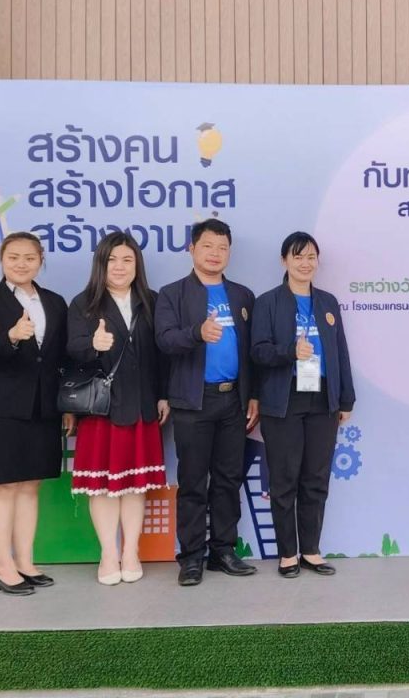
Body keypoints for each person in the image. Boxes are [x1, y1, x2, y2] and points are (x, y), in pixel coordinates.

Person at [0, 232, 75, 595]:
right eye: (13, 257)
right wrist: (11, 336)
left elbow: (60, 359)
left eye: (29, 257)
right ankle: (2, 567)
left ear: (41, 260)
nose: (21, 264)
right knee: (3, 486)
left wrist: (65, 406)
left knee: (30, 486)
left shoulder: (55, 302)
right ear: (2, 259)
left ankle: (25, 562)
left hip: (43, 409)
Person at [155, 219, 260, 587]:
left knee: (229, 479)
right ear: (192, 249)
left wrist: (253, 395)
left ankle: (223, 551)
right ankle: (191, 557)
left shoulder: (243, 296)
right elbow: (165, 341)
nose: (215, 253)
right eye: (208, 246)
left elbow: (252, 352)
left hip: (234, 401)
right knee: (193, 481)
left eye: (222, 247)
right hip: (193, 401)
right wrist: (196, 333)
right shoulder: (172, 294)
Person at [251, 232, 356, 578]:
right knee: (284, 479)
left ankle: (311, 550)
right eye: (298, 257)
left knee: (316, 478)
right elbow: (258, 352)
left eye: (311, 257)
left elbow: (340, 353)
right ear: (284, 261)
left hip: (323, 399)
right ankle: (287, 554)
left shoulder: (328, 302)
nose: (305, 263)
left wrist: (346, 398)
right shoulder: (268, 302)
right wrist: (289, 352)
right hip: (283, 400)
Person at [67, 232, 169, 586]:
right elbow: (69, 351)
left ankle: (131, 552)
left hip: (142, 406)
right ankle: (108, 554)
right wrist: (92, 345)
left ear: (137, 264)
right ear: (101, 264)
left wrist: (163, 395)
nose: (120, 267)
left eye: (127, 259)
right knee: (104, 488)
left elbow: (162, 356)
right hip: (102, 409)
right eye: (111, 260)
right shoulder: (84, 303)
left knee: (135, 486)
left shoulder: (152, 301)